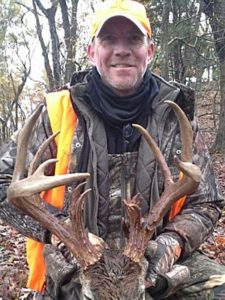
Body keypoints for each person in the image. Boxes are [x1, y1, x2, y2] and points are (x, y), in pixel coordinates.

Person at [0, 0, 225, 299]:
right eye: (109, 40)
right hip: (75, 265)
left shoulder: (177, 118)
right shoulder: (55, 113)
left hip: (153, 259)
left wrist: (171, 244)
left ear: (150, 51)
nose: (122, 50)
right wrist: (61, 233)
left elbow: (206, 202)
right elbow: (5, 187)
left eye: (134, 39)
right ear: (92, 51)